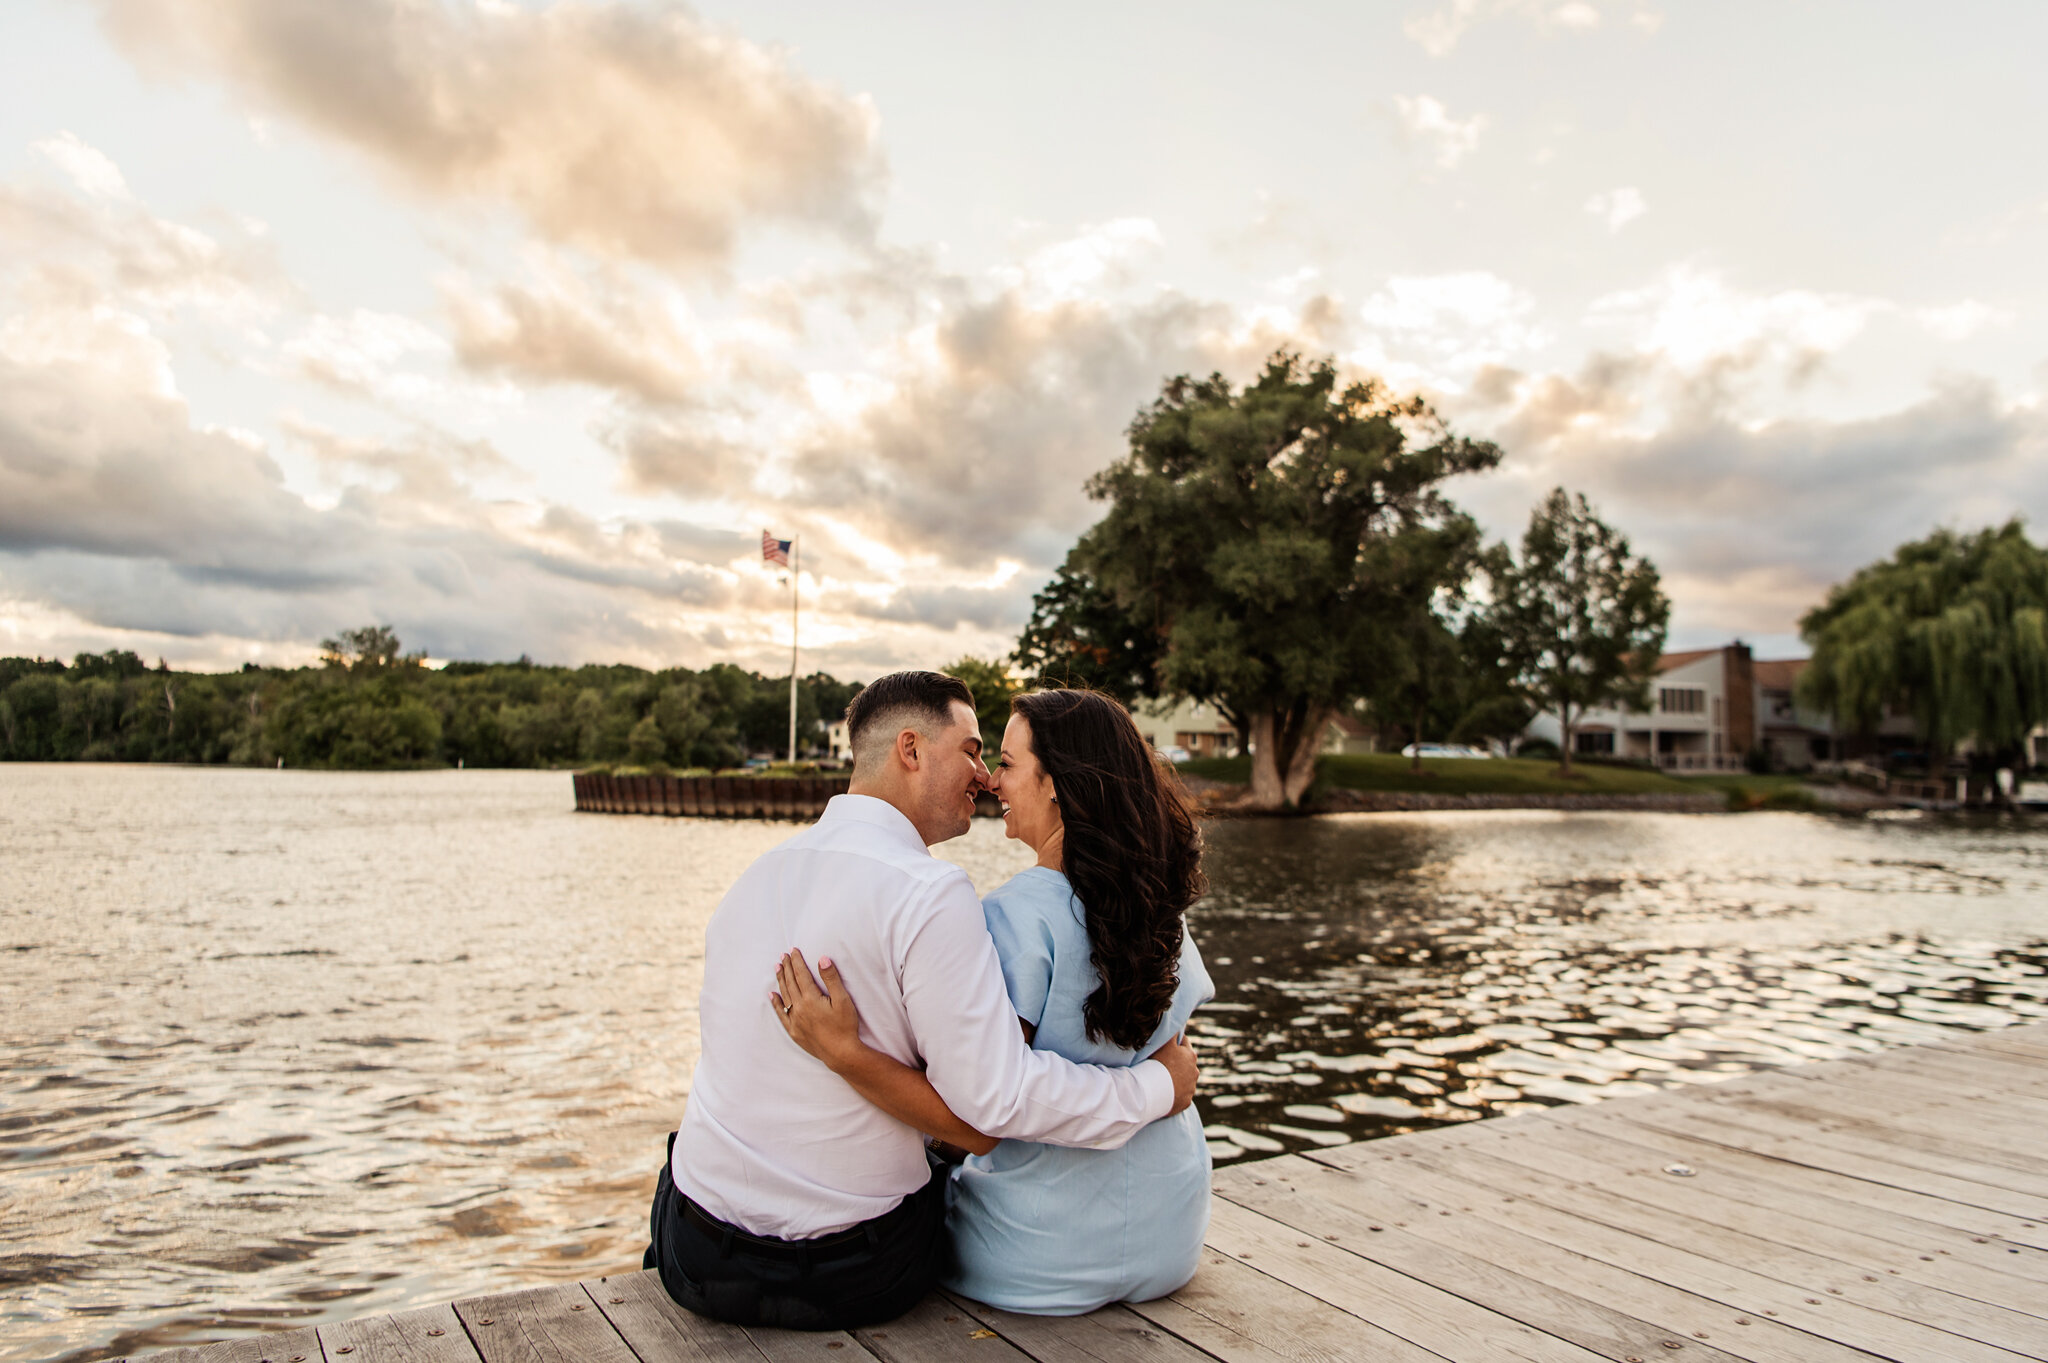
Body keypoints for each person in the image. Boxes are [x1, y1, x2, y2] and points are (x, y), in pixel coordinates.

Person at [646, 671, 1198, 1330]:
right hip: (854, 1273)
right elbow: (984, 1118)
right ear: (910, 749)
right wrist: (1158, 1089)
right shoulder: (931, 893)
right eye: (973, 751)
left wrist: (850, 1057)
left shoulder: (750, 880)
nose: (986, 777)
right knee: (944, 1145)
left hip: (696, 1255)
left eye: (997, 760)